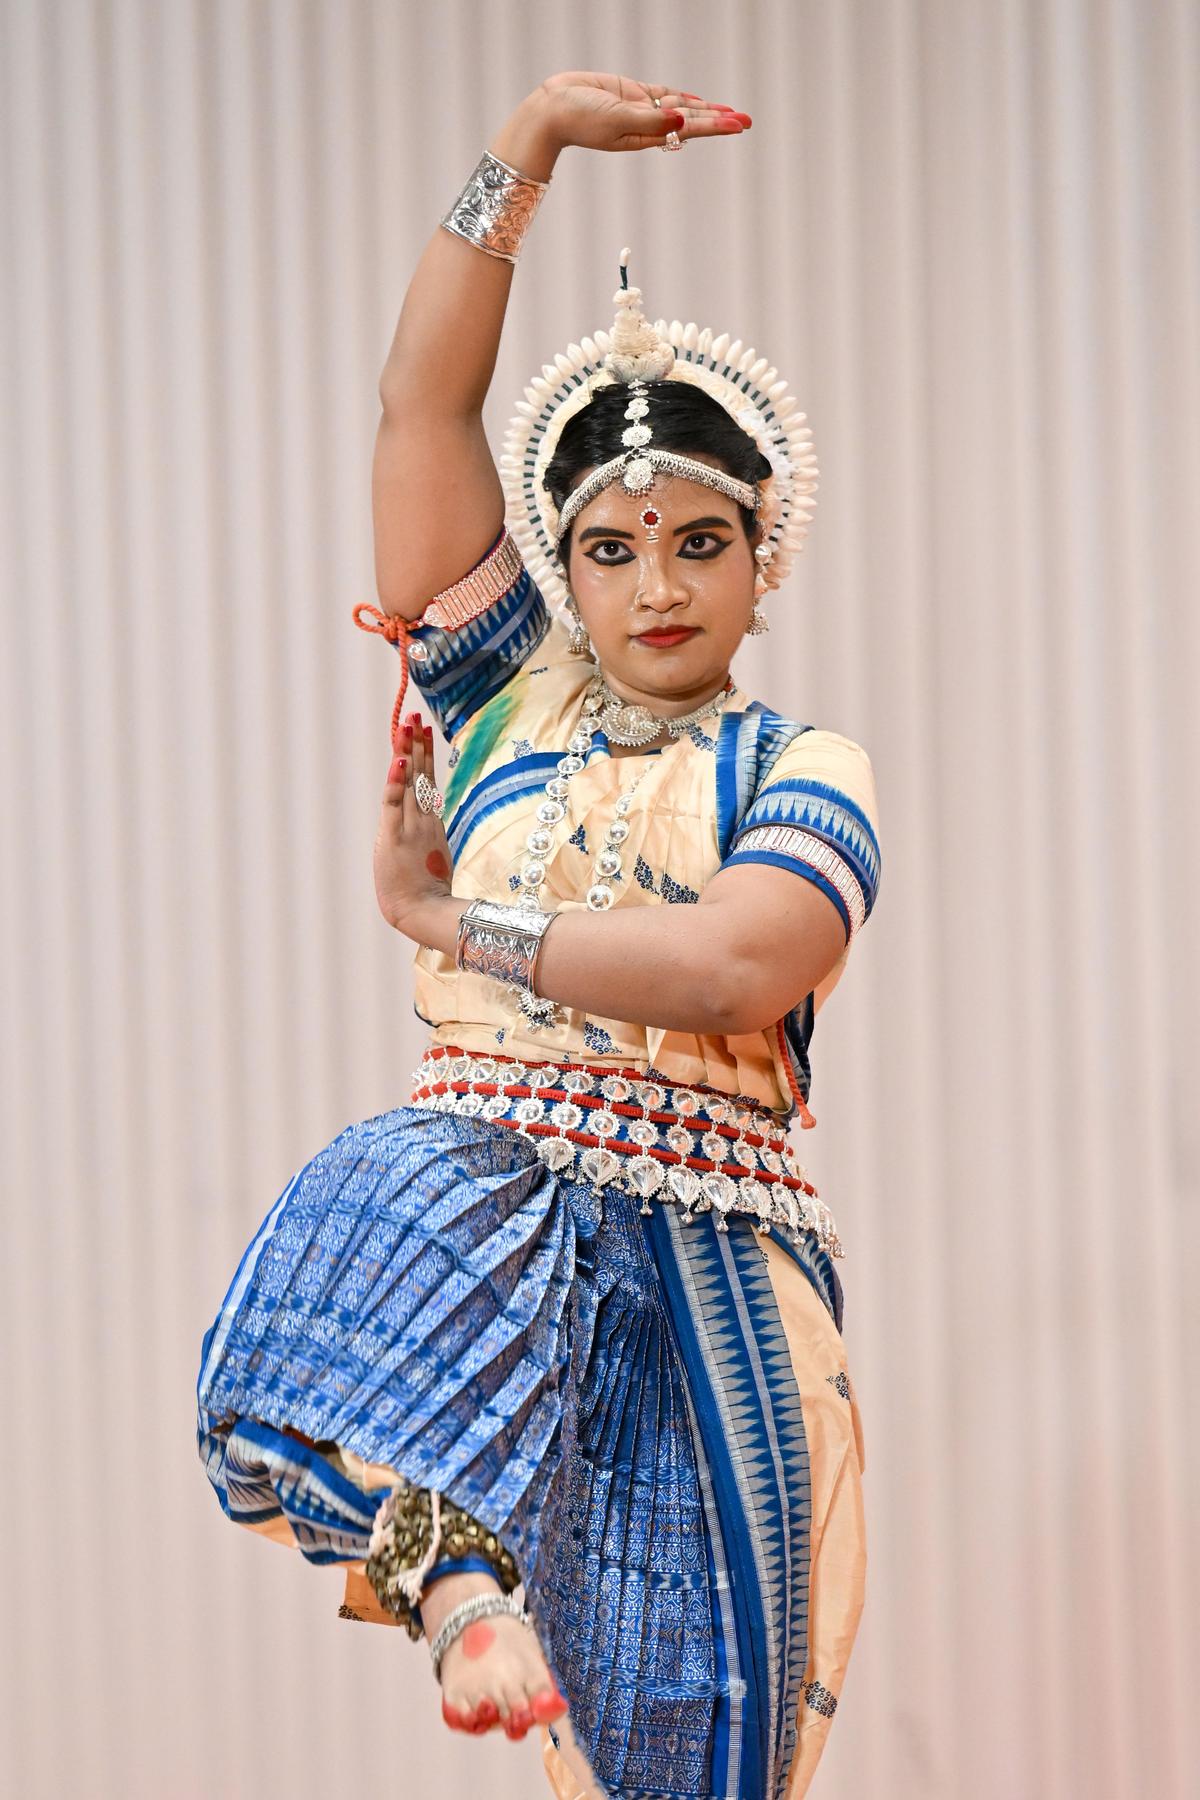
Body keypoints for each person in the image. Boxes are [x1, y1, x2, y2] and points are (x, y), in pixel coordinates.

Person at [195, 71, 882, 1800]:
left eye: (700, 544)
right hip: (496, 1195)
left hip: (715, 1274)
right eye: (613, 549)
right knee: (370, 1209)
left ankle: (487, 1586)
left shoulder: (799, 769)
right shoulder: (509, 700)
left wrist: (452, 918)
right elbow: (420, 409)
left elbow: (737, 967)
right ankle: (451, 1576)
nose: (658, 585)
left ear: (759, 556)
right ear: (560, 575)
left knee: (697, 1749)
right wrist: (529, 147)